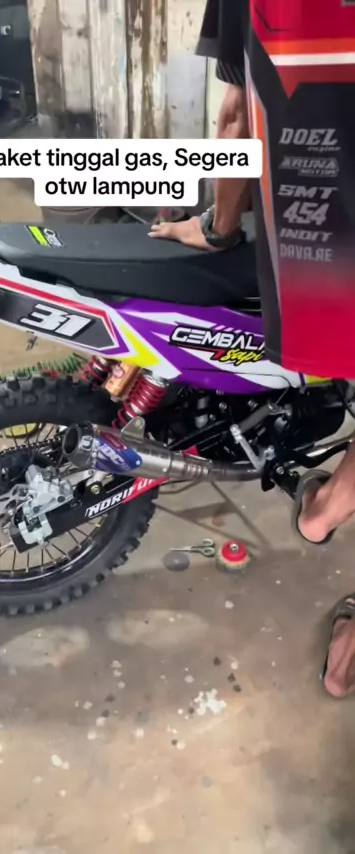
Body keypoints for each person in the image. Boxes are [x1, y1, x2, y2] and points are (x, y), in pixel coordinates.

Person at [150, 0, 355, 697]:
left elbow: (237, 116)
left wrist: (216, 226)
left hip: (315, 262)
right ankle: (331, 508)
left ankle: (329, 507)